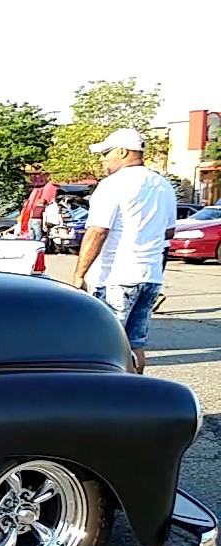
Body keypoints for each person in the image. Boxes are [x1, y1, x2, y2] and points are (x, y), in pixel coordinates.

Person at [71, 128, 176, 375]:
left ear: (122, 152)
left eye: (107, 153)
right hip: (149, 276)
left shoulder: (112, 185)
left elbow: (98, 231)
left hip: (116, 277)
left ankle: (107, 400)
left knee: (105, 347)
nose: (104, 159)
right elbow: (168, 232)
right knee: (134, 344)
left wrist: (79, 275)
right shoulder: (163, 185)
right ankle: (137, 395)